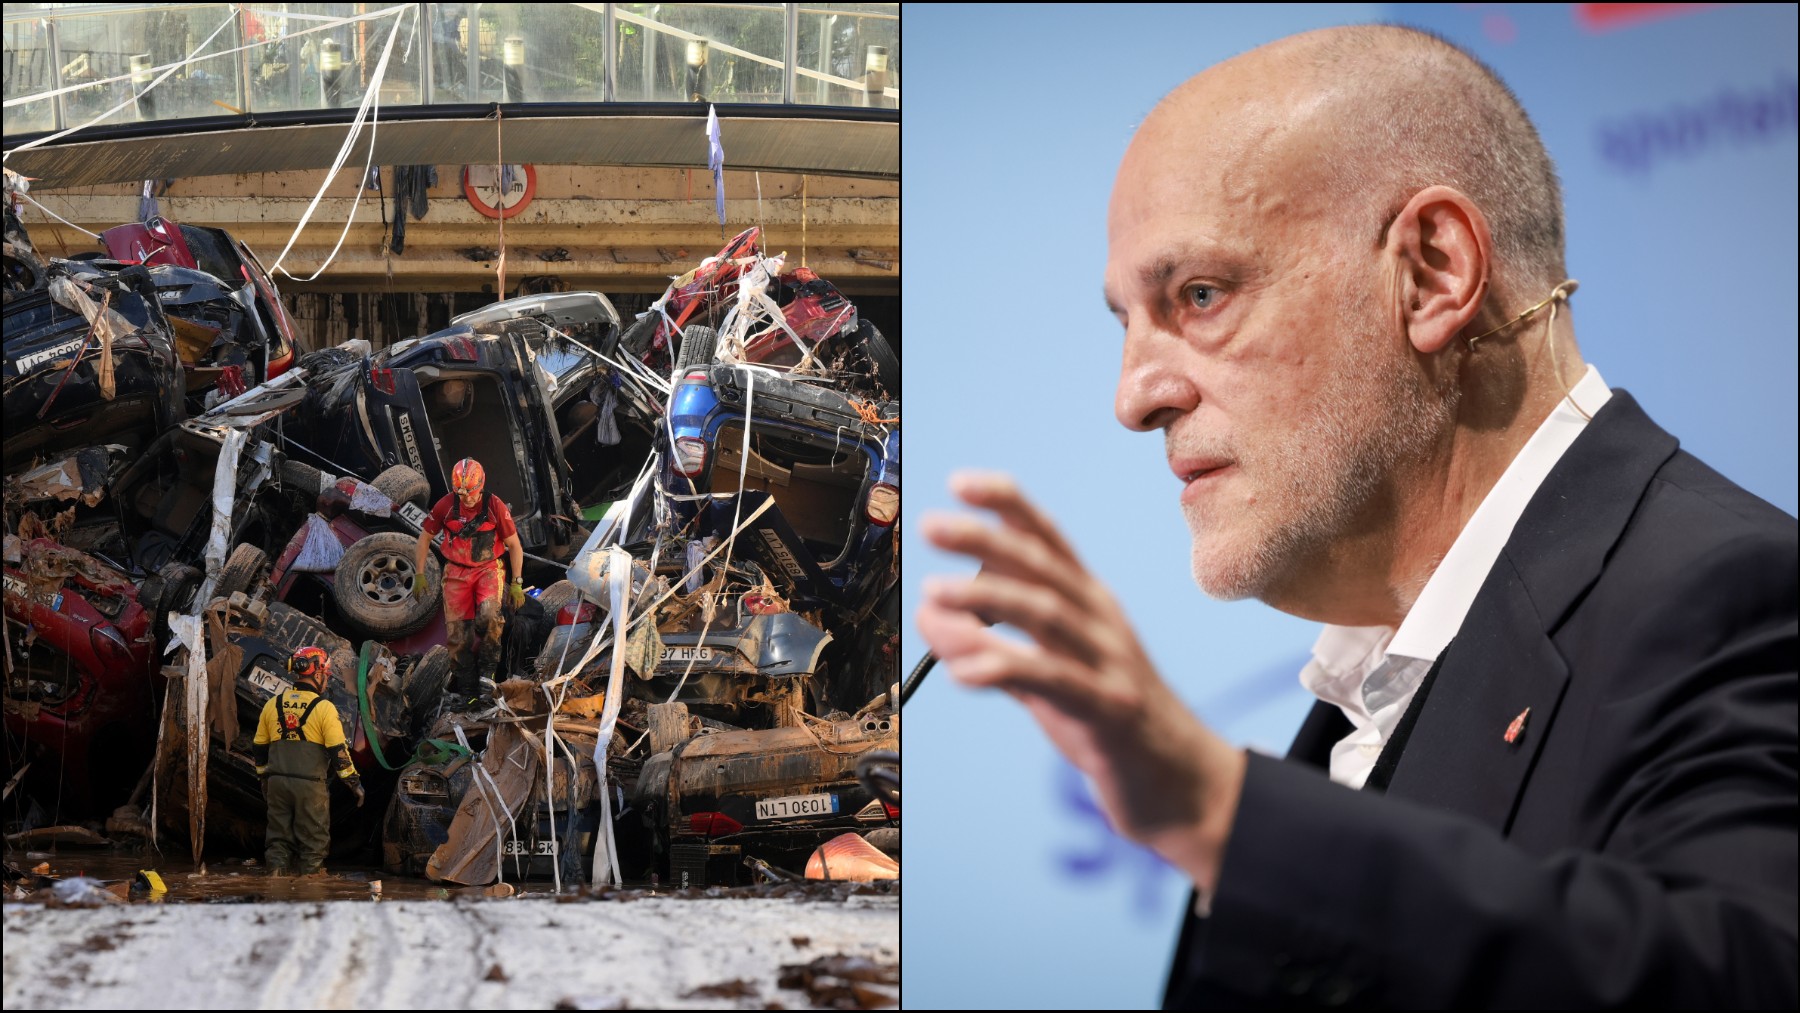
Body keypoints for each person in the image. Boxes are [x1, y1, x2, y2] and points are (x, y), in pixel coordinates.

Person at [916, 24, 1797, 1008]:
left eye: (1199, 295)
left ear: (1430, 271)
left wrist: (1218, 809)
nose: (1135, 396)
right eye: (1128, 322)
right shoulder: (1379, 685)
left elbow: (1747, 974)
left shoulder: (1737, 594)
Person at [414, 457, 526, 709]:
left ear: (481, 485)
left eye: (472, 493)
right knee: (457, 636)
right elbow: (423, 539)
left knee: (489, 616)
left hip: (487, 569)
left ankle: (487, 677)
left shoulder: (495, 506)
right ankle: (468, 691)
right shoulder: (445, 505)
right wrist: (419, 574)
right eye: (462, 494)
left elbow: (514, 546)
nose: (467, 499)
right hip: (456, 572)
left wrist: (517, 582)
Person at [252, 646, 364, 877]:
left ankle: (276, 888)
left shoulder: (272, 705)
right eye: (326, 675)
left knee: (278, 841)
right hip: (310, 788)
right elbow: (338, 752)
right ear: (317, 674)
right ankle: (309, 892)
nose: (327, 680)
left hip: (277, 784)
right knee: (313, 844)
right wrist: (354, 783)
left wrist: (264, 778)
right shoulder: (324, 708)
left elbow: (259, 747)